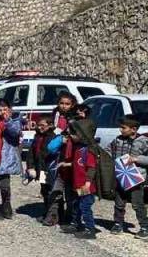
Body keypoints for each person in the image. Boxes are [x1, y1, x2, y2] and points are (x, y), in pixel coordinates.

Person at [110, 116, 148, 238]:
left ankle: (145, 227)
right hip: (121, 175)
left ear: (134, 129)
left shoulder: (143, 141)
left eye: (123, 128)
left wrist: (136, 159)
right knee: (119, 202)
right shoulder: (118, 140)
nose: (120, 130)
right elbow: (109, 151)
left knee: (137, 204)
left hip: (136, 178)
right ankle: (118, 223)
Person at [44, 92, 79, 227]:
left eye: (67, 104)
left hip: (70, 158)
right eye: (62, 103)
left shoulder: (76, 119)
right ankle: (53, 215)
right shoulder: (53, 117)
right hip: (55, 157)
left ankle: (69, 217)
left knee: (70, 192)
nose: (64, 106)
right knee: (54, 189)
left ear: (73, 105)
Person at [68, 119, 100, 239]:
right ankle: (76, 224)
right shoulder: (78, 148)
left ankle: (90, 229)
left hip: (86, 186)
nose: (71, 135)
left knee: (85, 207)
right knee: (77, 205)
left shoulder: (88, 151)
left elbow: (91, 168)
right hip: (78, 185)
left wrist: (87, 183)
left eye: (74, 133)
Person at [26, 115, 60, 222]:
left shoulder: (53, 138)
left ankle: (53, 215)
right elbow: (31, 154)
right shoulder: (37, 137)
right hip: (40, 170)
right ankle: (47, 212)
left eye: (43, 125)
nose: (40, 127)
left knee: (52, 192)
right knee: (45, 191)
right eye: (38, 125)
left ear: (50, 126)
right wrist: (30, 167)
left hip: (49, 169)